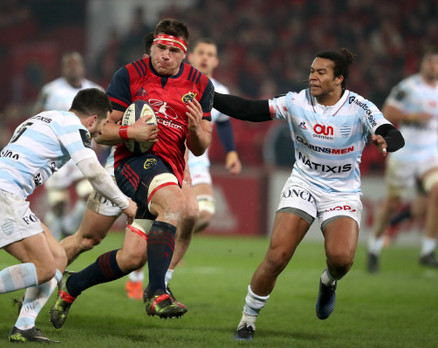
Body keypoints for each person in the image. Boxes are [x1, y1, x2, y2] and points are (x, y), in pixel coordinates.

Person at [211, 48, 404, 341]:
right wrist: (208, 96)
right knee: (277, 255)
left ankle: (328, 281)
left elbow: (392, 133)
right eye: (312, 71)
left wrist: (385, 138)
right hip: (304, 184)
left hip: (342, 192)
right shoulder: (296, 101)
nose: (312, 77)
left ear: (339, 79)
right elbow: (250, 110)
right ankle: (247, 320)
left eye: (320, 72)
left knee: (341, 259)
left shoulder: (360, 107)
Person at [49, 18, 213, 328]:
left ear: (183, 53)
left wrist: (194, 128)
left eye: (171, 50)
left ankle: (71, 286)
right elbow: (101, 131)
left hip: (166, 170)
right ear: (152, 45)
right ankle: (156, 292)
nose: (164, 55)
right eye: (159, 47)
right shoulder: (128, 75)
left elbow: (202, 145)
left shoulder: (201, 85)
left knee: (133, 257)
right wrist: (132, 132)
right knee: (90, 237)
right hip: (126, 165)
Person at [0, 88, 136, 342]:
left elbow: (6, 157)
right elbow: (94, 172)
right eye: (101, 125)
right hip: (3, 196)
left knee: (57, 258)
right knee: (45, 268)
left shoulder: (41, 118)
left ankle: (24, 325)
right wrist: (126, 205)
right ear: (92, 120)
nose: (100, 133)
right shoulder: (73, 127)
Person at [161, 37, 242, 293]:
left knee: (203, 215)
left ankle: (164, 268)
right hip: (171, 158)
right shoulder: (177, 81)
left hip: (198, 162)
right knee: (171, 214)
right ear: (192, 56)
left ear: (216, 61)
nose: (205, 57)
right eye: (201, 53)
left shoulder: (220, 91)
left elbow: (225, 122)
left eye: (210, 54)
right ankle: (152, 267)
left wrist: (231, 152)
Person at [367, 48, 438, 272]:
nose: (433, 67)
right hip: (405, 153)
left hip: (430, 154)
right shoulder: (408, 88)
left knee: (437, 191)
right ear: (423, 64)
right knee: (393, 204)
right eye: (430, 63)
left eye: (437, 64)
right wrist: (412, 116)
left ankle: (427, 250)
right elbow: (387, 112)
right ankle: (374, 246)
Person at [33, 51, 104, 240]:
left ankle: (70, 225)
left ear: (83, 67)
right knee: (58, 204)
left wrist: (101, 142)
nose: (73, 68)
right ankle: (55, 247)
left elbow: (103, 121)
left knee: (90, 195)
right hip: (57, 152)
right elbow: (37, 115)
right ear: (63, 68)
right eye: (69, 65)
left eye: (76, 64)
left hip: (83, 150)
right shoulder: (51, 90)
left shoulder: (95, 91)